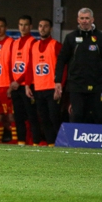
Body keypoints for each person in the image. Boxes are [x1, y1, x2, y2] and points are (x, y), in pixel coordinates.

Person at [54, 8, 102, 124]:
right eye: (82, 18)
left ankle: (96, 136)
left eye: (87, 18)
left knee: (98, 116)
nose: (84, 21)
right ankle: (76, 136)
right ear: (78, 20)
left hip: (97, 85)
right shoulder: (71, 37)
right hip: (76, 85)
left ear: (92, 20)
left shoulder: (101, 38)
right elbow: (61, 60)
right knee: (77, 114)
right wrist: (58, 81)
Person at [25, 18, 61, 146]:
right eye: (40, 26)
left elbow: (63, 67)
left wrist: (60, 85)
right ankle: (51, 143)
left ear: (50, 29)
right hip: (38, 88)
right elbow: (30, 67)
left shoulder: (56, 45)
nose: (42, 28)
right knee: (44, 118)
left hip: (52, 88)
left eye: (45, 26)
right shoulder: (34, 46)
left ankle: (61, 143)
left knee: (54, 117)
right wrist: (27, 85)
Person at [9, 15, 41, 146]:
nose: (23, 27)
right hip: (15, 86)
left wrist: (19, 81)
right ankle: (21, 142)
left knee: (32, 116)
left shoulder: (33, 42)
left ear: (31, 26)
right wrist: (12, 82)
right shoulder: (14, 43)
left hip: (28, 85)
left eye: (26, 25)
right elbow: (10, 64)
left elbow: (31, 65)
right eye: (21, 25)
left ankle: (36, 142)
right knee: (18, 116)